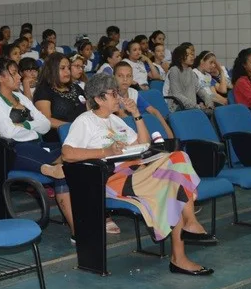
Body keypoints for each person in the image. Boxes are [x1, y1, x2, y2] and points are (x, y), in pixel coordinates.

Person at [62, 73, 214, 276]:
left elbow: (142, 144)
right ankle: (188, 232)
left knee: (177, 168)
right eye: (113, 93)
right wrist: (104, 152)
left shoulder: (115, 120)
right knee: (176, 166)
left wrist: (136, 115)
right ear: (98, 99)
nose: (118, 97)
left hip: (136, 171)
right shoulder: (85, 121)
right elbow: (68, 153)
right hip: (112, 179)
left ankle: (182, 252)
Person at [0, 57, 72, 236]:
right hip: (10, 152)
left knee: (65, 151)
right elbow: (9, 134)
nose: (19, 77)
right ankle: (50, 166)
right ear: (0, 78)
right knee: (58, 161)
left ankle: (52, 166)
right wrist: (30, 124)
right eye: (13, 73)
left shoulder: (22, 97)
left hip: (37, 146)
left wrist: (24, 125)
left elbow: (45, 125)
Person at [32, 53, 85, 144]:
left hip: (83, 135)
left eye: (68, 68)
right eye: (62, 68)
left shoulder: (76, 87)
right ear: (51, 70)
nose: (68, 72)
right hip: (58, 140)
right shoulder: (43, 90)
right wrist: (73, 127)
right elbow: (46, 120)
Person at [113, 62, 174, 138]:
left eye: (129, 76)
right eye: (120, 76)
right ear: (113, 77)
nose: (125, 79)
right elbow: (122, 116)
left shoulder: (133, 93)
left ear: (132, 78)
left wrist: (170, 136)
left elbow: (154, 112)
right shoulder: (110, 95)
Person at [165, 44, 203, 111]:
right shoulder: (174, 70)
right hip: (178, 107)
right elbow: (177, 94)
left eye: (192, 54)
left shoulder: (190, 71)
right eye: (188, 55)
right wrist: (195, 106)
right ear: (180, 57)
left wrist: (208, 101)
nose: (192, 57)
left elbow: (199, 89)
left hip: (191, 106)